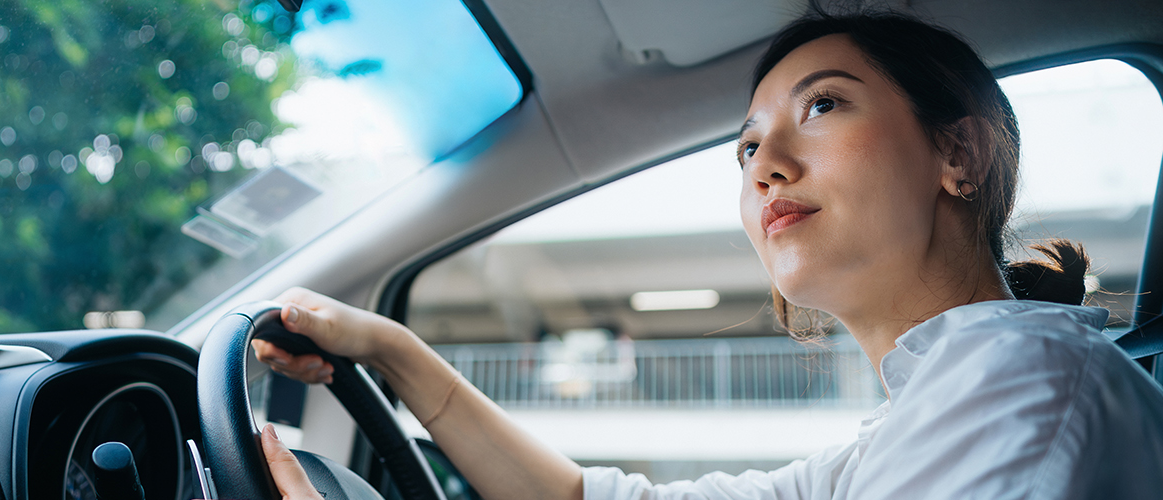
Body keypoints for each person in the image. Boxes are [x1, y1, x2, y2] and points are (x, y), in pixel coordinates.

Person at [252, 11, 1163, 500]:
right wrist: (394, 351)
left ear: (957, 156)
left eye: (824, 106)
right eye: (745, 148)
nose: (764, 165)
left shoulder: (1021, 381)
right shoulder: (905, 433)